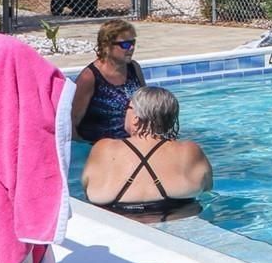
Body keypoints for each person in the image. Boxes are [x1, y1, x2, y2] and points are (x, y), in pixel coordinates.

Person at [82, 86, 212, 220]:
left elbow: (86, 187)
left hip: (119, 224)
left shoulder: (103, 148)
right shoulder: (189, 150)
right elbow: (207, 187)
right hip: (182, 221)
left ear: (136, 118)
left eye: (128, 108)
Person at [73, 20, 145, 142]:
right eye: (125, 44)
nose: (132, 48)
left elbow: (147, 107)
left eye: (133, 42)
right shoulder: (89, 77)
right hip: (100, 147)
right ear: (107, 46)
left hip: (132, 143)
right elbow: (71, 122)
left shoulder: (134, 68)